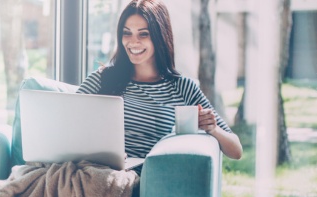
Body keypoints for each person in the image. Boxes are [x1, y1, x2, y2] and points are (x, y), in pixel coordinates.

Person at [77, 0, 243, 160]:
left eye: (144, 34)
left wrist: (213, 129)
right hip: (96, 167)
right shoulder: (102, 78)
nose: (133, 42)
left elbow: (236, 150)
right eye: (127, 33)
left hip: (145, 178)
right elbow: (67, 120)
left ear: (160, 37)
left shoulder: (183, 87)